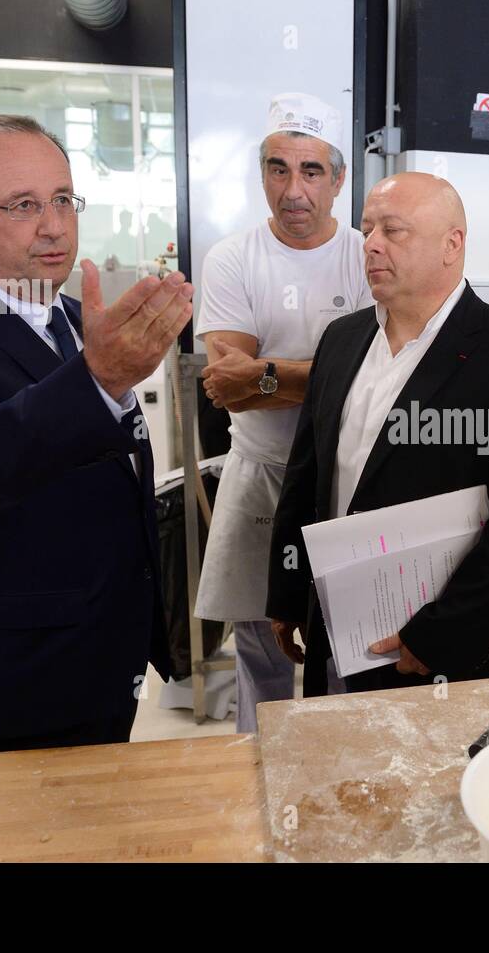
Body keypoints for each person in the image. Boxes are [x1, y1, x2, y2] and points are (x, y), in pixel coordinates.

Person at [0, 114, 194, 753]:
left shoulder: (80, 321)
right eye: (23, 205)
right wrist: (98, 380)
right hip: (23, 670)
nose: (54, 226)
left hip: (109, 649)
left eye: (62, 200)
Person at [266, 172, 489, 696]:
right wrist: (289, 591)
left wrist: (441, 636)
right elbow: (307, 473)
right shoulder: (342, 339)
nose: (372, 245)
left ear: (452, 244)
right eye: (367, 230)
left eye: (394, 230)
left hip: (435, 654)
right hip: (334, 623)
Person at [193, 93, 374, 732]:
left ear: (338, 179)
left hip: (342, 477)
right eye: (277, 169)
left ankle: (330, 773)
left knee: (342, 646)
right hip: (262, 473)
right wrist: (328, 375)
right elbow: (228, 388)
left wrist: (267, 372)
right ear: (261, 173)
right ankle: (259, 774)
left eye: (311, 171)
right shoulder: (232, 259)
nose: (293, 189)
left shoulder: (364, 255)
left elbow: (371, 377)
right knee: (259, 647)